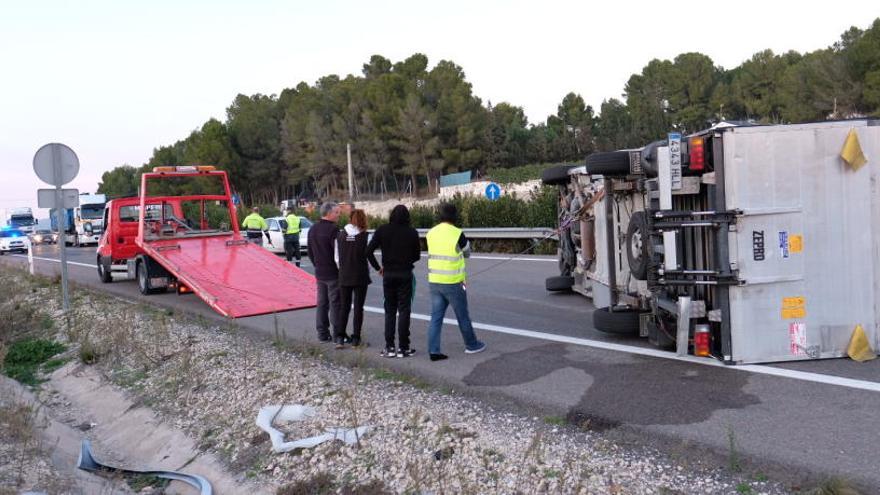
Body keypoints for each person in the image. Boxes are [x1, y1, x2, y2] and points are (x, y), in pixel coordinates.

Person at [425, 203, 486, 361]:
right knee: (462, 315)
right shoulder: (457, 233)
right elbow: (467, 252)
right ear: (454, 216)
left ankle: (433, 350)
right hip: (454, 282)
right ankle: (472, 345)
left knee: (436, 317)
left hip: (434, 281)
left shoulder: (431, 233)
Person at [367, 204, 420, 358]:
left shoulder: (382, 230)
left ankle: (389, 347)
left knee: (389, 310)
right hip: (405, 274)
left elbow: (368, 251)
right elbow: (416, 255)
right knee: (404, 310)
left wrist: (379, 268)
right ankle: (404, 347)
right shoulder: (412, 232)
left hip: (388, 274)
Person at [307, 202, 344, 344]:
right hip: (333, 272)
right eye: (336, 212)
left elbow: (310, 252)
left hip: (320, 272)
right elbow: (338, 254)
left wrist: (317, 265)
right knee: (335, 303)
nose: (339, 215)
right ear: (328, 213)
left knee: (322, 303)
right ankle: (337, 334)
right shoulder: (333, 230)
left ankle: (322, 333)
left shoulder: (313, 229)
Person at [336, 209, 370, 348]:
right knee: (358, 307)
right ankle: (356, 338)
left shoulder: (340, 235)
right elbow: (368, 255)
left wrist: (343, 269)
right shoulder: (365, 236)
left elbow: (336, 258)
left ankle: (340, 337)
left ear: (350, 219)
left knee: (344, 307)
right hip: (360, 275)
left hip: (344, 275)